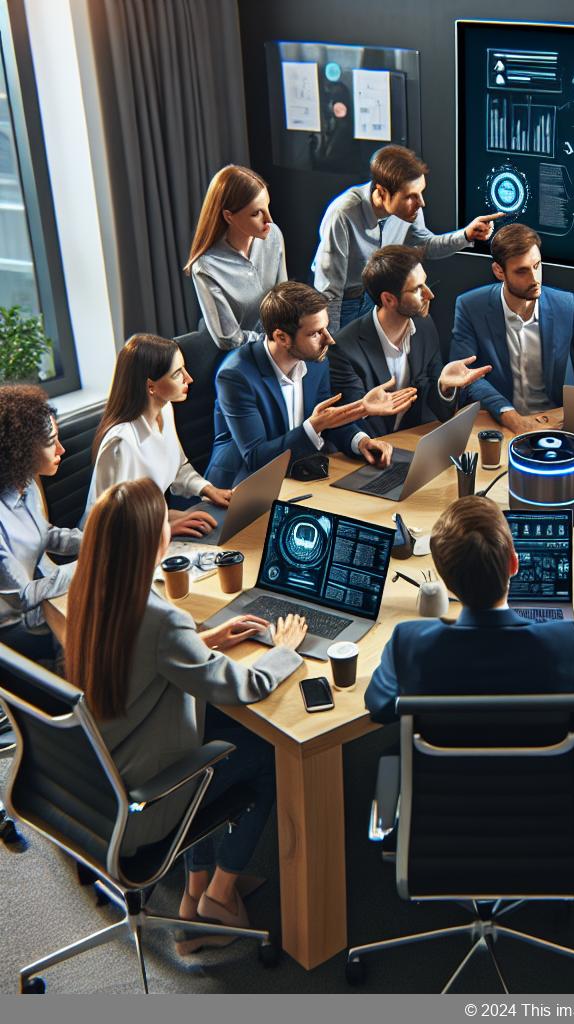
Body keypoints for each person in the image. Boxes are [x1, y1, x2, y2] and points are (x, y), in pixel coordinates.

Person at [64, 478, 308, 952]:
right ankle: (217, 898)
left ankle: (195, 894)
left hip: (98, 783)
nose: (171, 530)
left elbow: (141, 656)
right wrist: (284, 650)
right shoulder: (162, 620)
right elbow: (246, 686)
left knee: (212, 734)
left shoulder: (90, 592)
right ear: (152, 542)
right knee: (263, 754)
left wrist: (207, 641)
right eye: (164, 524)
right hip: (143, 804)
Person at [365, 495, 574, 731]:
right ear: (514, 564)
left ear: (445, 581)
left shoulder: (408, 643)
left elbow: (380, 706)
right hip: (547, 769)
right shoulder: (565, 641)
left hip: (446, 770)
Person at [206, 281, 418, 488]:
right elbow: (256, 457)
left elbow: (327, 418)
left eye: (326, 328)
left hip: (296, 476)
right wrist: (315, 425)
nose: (329, 339)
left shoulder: (316, 361)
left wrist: (360, 441)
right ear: (281, 337)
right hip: (240, 488)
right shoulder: (235, 376)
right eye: (316, 333)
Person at [449, 223, 574, 435]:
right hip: (499, 425)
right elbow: (465, 375)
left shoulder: (566, 305)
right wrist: (511, 418)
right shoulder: (470, 306)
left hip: (557, 425)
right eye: (522, 271)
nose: (534, 279)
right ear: (498, 271)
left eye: (537, 265)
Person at [311, 144, 501, 331]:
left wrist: (467, 234)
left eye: (421, 193)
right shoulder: (343, 213)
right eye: (411, 196)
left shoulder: (411, 210)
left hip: (377, 299)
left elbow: (426, 245)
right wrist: (330, 342)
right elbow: (330, 291)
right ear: (382, 192)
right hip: (345, 302)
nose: (421, 203)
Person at [329, 245, 492, 441]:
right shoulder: (344, 347)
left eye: (425, 283)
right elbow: (348, 424)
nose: (429, 295)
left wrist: (443, 386)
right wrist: (364, 441)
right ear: (388, 299)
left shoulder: (424, 326)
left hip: (410, 444)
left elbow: (440, 410)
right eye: (417, 289)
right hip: (368, 452)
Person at [85, 334, 227, 537]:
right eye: (178, 373)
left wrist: (207, 489)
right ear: (150, 386)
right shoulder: (120, 444)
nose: (189, 378)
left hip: (151, 524)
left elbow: (177, 466)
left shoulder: (165, 410)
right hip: (120, 547)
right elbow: (110, 523)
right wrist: (165, 529)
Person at [0, 386, 80, 662]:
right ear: (20, 450)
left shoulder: (27, 484)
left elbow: (46, 535)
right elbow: (22, 596)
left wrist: (101, 537)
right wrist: (89, 563)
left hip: (47, 604)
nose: (62, 449)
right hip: (16, 631)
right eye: (51, 442)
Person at [184, 165, 287, 351]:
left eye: (267, 207)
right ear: (229, 216)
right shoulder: (206, 266)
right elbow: (229, 339)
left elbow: (284, 297)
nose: (269, 220)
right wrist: (276, 341)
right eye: (256, 213)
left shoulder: (273, 236)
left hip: (278, 348)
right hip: (237, 358)